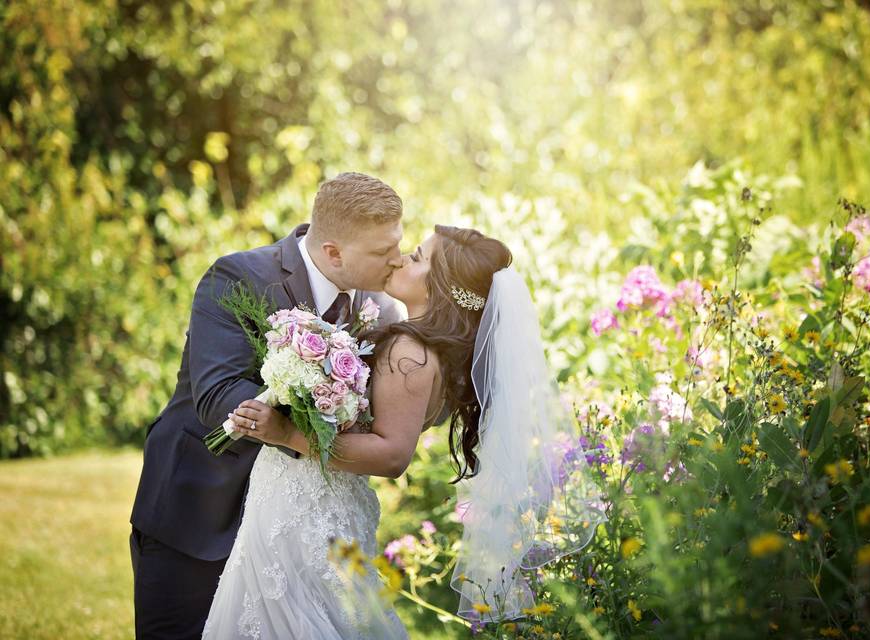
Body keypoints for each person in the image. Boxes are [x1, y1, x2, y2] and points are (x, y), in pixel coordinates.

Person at [209, 225, 606, 637]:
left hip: (309, 508)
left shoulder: (409, 352)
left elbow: (393, 455)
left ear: (442, 287)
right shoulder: (427, 348)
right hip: (311, 500)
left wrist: (287, 434)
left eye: (416, 257)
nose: (400, 258)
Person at [129, 172, 405, 639]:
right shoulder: (237, 276)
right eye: (383, 252)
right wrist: (306, 423)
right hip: (199, 511)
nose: (397, 261)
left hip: (296, 531)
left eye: (398, 244)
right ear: (333, 252)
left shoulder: (382, 307)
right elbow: (217, 393)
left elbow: (388, 406)